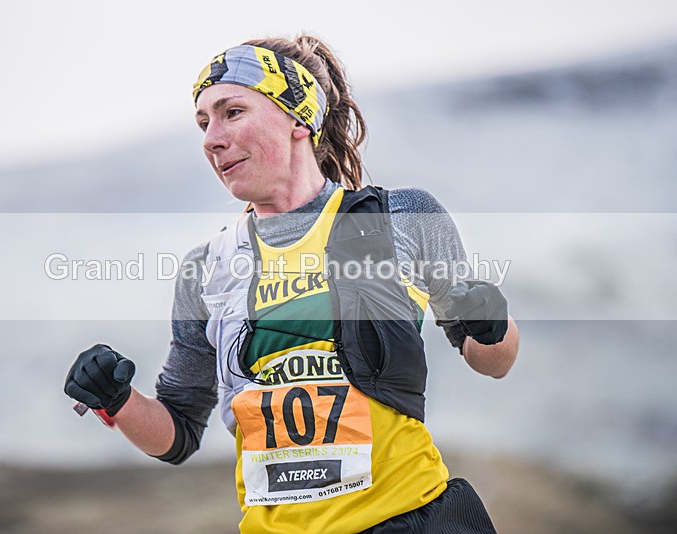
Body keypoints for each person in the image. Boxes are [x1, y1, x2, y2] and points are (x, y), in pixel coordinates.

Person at [64, 34, 519, 533]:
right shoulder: (208, 268)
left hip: (409, 519)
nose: (211, 138)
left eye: (232, 112)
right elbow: (177, 433)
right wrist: (118, 400)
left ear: (299, 117)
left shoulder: (401, 216)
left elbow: (492, 361)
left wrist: (492, 323)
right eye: (203, 122)